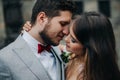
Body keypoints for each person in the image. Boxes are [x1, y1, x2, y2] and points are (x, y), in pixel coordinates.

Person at [23, 11, 120, 80]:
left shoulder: (86, 75)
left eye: (73, 40)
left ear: (89, 47)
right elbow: (55, 47)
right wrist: (33, 31)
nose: (66, 39)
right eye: (69, 33)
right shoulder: (74, 54)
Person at [0, 0, 76, 80]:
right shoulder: (4, 59)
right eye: (63, 24)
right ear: (42, 18)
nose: (66, 32)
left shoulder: (61, 50)